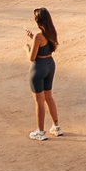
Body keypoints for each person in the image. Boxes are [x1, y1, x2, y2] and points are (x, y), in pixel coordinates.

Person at [25, 7, 63, 140]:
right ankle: (56, 127)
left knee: (39, 101)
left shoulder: (38, 36)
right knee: (49, 97)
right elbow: (44, 45)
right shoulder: (51, 32)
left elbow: (32, 57)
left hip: (39, 68)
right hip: (50, 65)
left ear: (38, 21)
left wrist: (27, 48)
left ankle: (40, 132)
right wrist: (33, 38)